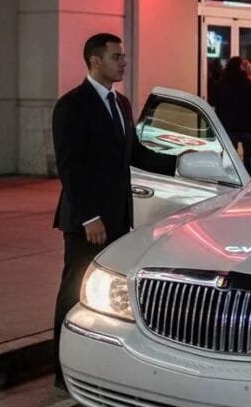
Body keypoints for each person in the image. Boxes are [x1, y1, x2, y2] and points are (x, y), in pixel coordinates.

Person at [52, 33, 179, 390]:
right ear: (95, 61)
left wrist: (182, 163)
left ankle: (100, 364)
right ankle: (63, 372)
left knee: (106, 294)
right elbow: (70, 167)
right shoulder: (72, 105)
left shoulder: (121, 103)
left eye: (123, 56)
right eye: (116, 56)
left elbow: (133, 154)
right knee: (74, 291)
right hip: (88, 221)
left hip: (120, 217)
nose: (124, 62)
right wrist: (88, 216)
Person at [212, 56, 251, 175]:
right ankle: (247, 176)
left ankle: (229, 175)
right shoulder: (248, 82)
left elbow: (216, 103)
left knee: (229, 154)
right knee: (247, 155)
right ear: (239, 66)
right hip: (245, 125)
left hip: (228, 125)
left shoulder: (221, 82)